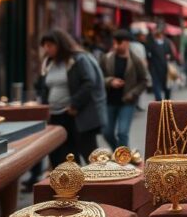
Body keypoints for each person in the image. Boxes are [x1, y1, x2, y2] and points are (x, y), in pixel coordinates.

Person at [35, 29, 106, 167]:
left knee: (90, 155)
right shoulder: (48, 63)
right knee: (60, 156)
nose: (46, 49)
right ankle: (70, 185)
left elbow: (89, 82)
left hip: (75, 115)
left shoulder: (77, 59)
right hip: (54, 116)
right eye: (44, 45)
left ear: (60, 44)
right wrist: (44, 107)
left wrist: (74, 104)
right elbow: (44, 87)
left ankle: (101, 184)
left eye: (50, 45)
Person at [100, 29, 150, 149]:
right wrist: (110, 81)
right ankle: (120, 153)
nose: (115, 46)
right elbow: (99, 78)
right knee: (106, 132)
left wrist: (133, 94)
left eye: (119, 43)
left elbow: (144, 80)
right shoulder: (106, 58)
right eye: (114, 43)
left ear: (127, 43)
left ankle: (123, 162)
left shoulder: (136, 61)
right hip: (109, 101)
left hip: (127, 102)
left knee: (122, 133)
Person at [146, 26, 177, 101]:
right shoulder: (152, 43)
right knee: (157, 86)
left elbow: (172, 54)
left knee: (166, 86)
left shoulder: (167, 42)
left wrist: (169, 57)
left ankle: (165, 100)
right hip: (155, 68)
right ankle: (159, 101)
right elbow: (148, 55)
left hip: (165, 68)